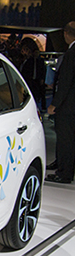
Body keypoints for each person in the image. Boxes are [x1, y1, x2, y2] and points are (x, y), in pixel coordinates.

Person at [46, 21, 75, 184]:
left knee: (65, 139)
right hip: (71, 105)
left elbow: (65, 82)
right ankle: (64, 167)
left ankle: (64, 173)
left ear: (66, 33)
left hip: (67, 106)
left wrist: (54, 104)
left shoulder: (71, 53)